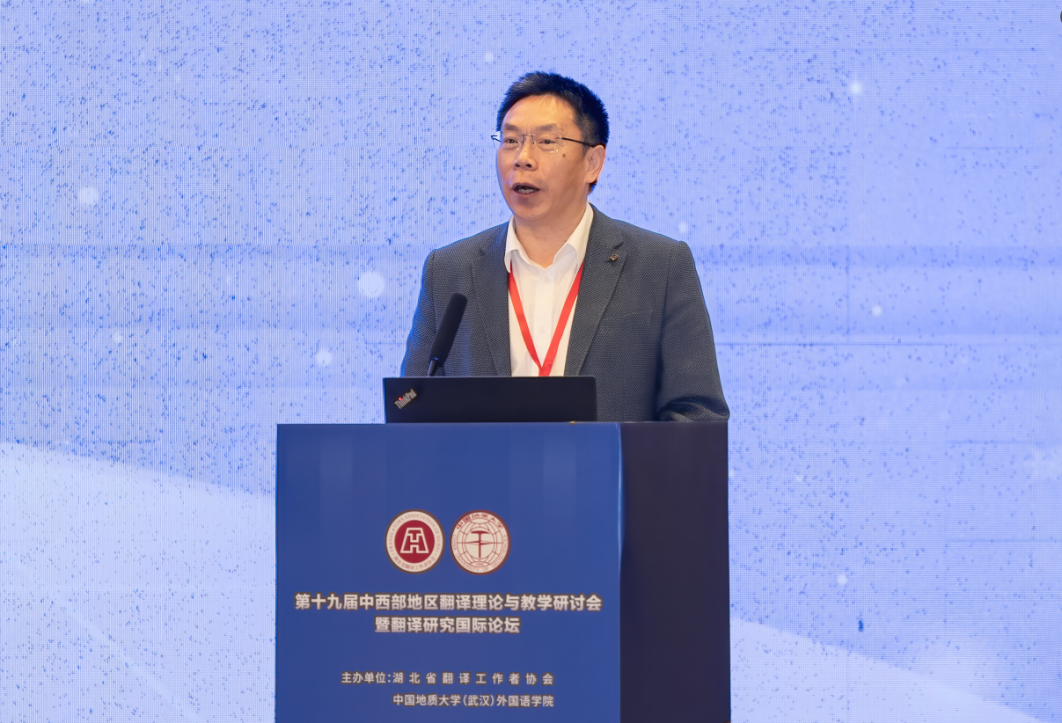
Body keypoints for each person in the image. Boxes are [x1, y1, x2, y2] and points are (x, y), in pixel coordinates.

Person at [401, 72, 728, 422]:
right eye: (510, 140)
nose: (522, 158)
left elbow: (698, 416)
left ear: (593, 163)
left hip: (609, 462)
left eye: (547, 141)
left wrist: (618, 455)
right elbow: (409, 406)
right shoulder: (449, 270)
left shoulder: (659, 267)